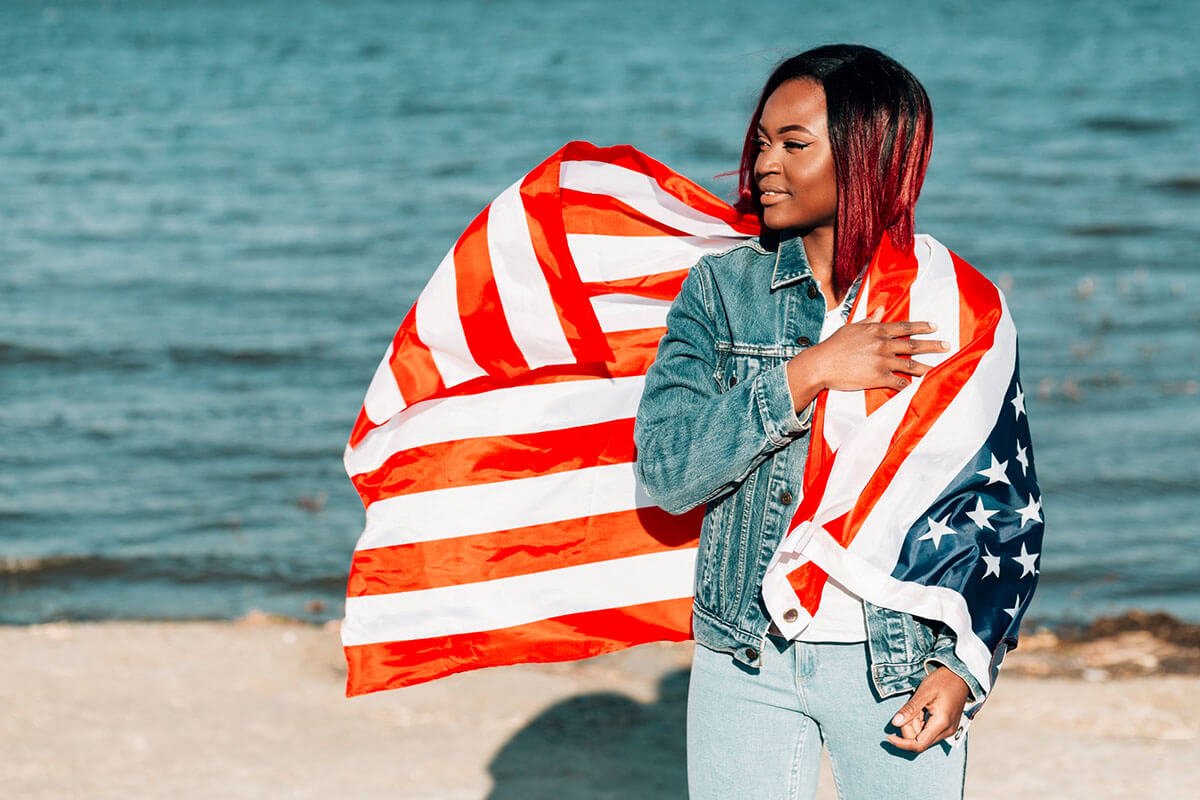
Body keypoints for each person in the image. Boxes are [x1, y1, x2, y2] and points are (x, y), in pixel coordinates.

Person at [634, 45, 1037, 799]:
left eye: (794, 144)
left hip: (896, 661)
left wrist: (965, 667)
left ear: (867, 155)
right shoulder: (721, 292)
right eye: (762, 141)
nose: (763, 165)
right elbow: (667, 471)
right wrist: (808, 371)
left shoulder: (955, 306)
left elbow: (1003, 512)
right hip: (743, 654)